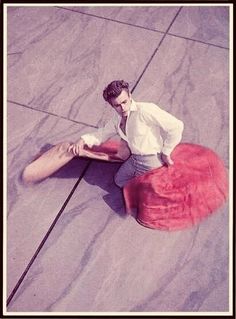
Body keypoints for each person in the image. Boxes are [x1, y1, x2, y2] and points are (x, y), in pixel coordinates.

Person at [68, 80, 184, 188]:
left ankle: (154, 182)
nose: (122, 108)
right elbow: (102, 134)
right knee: (119, 181)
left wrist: (166, 152)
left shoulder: (145, 110)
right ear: (112, 105)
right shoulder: (116, 119)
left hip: (152, 160)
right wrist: (82, 140)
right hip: (134, 159)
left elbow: (176, 126)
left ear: (130, 96)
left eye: (124, 102)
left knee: (148, 194)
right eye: (117, 105)